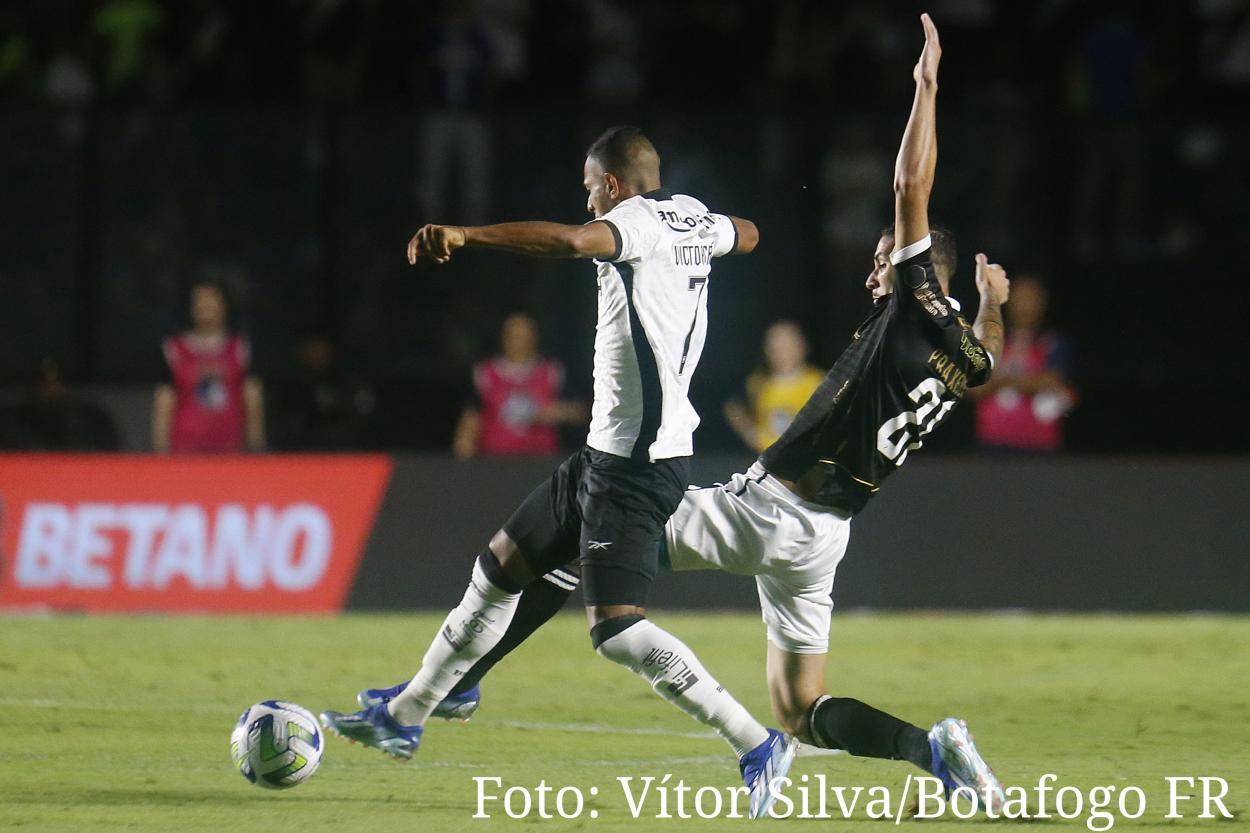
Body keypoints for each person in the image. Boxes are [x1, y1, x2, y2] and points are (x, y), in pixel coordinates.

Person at [358, 15, 1010, 813]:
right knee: (803, 706)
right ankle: (930, 748)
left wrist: (927, 87)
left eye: (885, 258)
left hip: (768, 507)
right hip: (826, 536)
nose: (876, 270)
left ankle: (455, 687)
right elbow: (985, 361)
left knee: (586, 548)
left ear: (918, 268)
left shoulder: (913, 297)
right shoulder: (963, 352)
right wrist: (990, 306)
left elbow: (912, 185)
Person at [321, 125, 798, 818]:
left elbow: (574, 242)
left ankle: (756, 742)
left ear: (610, 185)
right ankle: (408, 713)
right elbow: (749, 233)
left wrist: (466, 234)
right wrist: (711, 231)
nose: (587, 204)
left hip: (639, 465)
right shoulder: (691, 213)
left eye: (588, 190)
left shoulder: (628, 220)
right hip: (607, 453)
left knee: (619, 631)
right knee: (501, 566)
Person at [452, 313, 586, 459]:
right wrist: (464, 452)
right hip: (495, 462)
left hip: (542, 462)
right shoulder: (485, 374)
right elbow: (471, 418)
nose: (520, 342)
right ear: (504, 338)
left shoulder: (553, 372)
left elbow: (579, 412)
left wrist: (555, 413)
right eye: (514, 336)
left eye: (525, 336)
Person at [152, 280, 264, 454]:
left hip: (230, 448)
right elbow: (164, 401)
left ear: (224, 305)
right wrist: (160, 451)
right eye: (198, 301)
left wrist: (256, 446)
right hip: (184, 449)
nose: (204, 306)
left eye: (211, 300)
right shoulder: (173, 349)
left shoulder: (241, 348)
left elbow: (252, 397)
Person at [970, 274, 1075, 452]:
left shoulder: (1052, 343)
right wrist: (1026, 381)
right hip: (992, 444)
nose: (1025, 306)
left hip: (1039, 445)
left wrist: (1002, 380)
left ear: (1043, 302)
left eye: (1032, 298)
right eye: (1020, 298)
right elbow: (974, 388)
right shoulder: (989, 340)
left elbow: (1051, 381)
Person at [724, 320, 824, 453]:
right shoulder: (757, 383)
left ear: (802, 347)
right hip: (765, 463)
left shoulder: (818, 382)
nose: (782, 353)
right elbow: (737, 411)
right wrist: (751, 434)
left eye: (788, 346)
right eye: (776, 347)